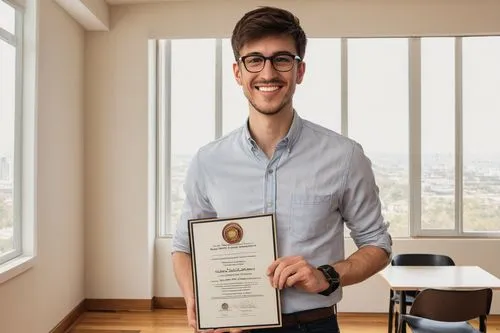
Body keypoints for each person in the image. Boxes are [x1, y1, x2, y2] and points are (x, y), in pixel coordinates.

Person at [172, 6, 392, 333]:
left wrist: (326, 275)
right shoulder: (208, 161)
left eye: (282, 59)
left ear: (299, 71)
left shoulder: (345, 156)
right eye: (255, 59)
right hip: (232, 326)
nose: (268, 72)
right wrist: (196, 301)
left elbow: (378, 245)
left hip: (313, 325)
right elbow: (183, 248)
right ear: (238, 72)